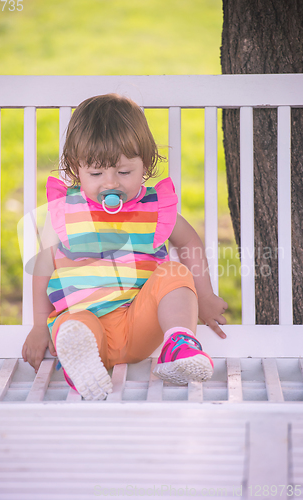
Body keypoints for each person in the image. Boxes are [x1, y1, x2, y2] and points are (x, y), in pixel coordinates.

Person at [22, 93, 228, 400]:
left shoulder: (154, 209)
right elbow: (43, 265)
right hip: (86, 319)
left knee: (174, 271)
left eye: (124, 172)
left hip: (138, 323)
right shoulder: (65, 211)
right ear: (76, 168)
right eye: (95, 173)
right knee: (74, 325)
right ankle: (81, 365)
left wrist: (206, 295)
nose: (110, 184)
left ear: (145, 162)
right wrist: (40, 325)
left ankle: (179, 343)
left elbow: (188, 242)